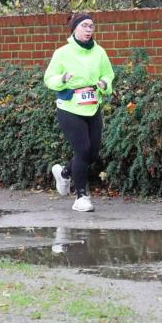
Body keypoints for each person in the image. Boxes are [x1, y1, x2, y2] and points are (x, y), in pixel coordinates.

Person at [44, 13, 114, 212]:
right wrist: (63, 79)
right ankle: (81, 196)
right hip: (69, 107)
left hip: (92, 106)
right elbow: (49, 79)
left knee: (92, 154)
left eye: (91, 26)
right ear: (74, 28)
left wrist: (104, 84)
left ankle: (65, 173)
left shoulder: (99, 52)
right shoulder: (62, 53)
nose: (88, 30)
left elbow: (108, 74)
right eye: (84, 26)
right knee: (82, 150)